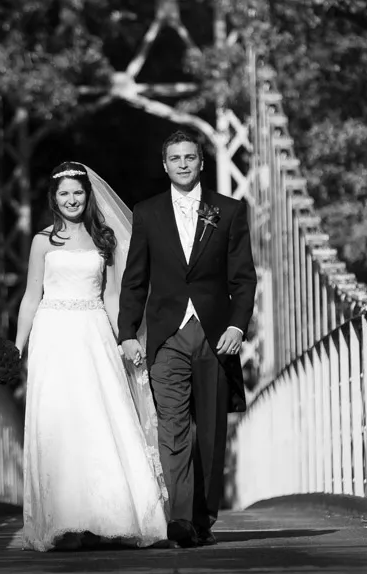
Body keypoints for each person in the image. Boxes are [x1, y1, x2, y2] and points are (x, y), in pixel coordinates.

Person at [14, 161, 168, 552]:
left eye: (77, 193)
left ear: (88, 196)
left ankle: (109, 517)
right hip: (52, 336)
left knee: (101, 417)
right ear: (54, 198)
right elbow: (32, 295)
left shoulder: (106, 241)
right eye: (64, 193)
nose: (71, 199)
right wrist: (17, 345)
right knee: (59, 423)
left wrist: (127, 337)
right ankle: (64, 522)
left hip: (94, 333)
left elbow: (113, 296)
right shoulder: (42, 242)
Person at [118, 130, 257, 548]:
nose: (182, 164)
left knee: (211, 434)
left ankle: (202, 519)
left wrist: (237, 326)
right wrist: (127, 333)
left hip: (216, 336)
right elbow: (134, 280)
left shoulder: (229, 211)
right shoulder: (147, 212)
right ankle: (179, 520)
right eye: (175, 158)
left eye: (190, 157)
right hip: (166, 336)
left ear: (201, 162)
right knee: (173, 428)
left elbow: (243, 278)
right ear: (165, 165)